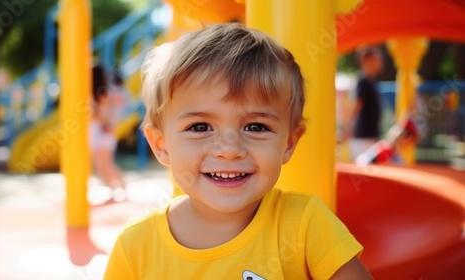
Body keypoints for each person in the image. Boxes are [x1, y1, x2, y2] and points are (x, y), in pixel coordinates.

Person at [104, 23, 372, 279]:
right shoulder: (135, 247)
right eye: (199, 127)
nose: (229, 150)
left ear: (289, 143)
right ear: (161, 145)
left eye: (256, 126)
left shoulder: (305, 225)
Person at [89, 64, 127, 202]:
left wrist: (96, 115)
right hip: (100, 131)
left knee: (105, 164)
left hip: (103, 131)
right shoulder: (99, 93)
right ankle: (116, 190)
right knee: (103, 165)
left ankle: (121, 188)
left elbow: (107, 115)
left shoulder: (104, 93)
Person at [346, 46, 384, 160]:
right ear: (367, 60)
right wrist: (348, 129)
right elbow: (356, 106)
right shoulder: (363, 82)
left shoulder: (372, 81)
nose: (379, 63)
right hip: (362, 137)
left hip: (369, 136)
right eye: (377, 60)